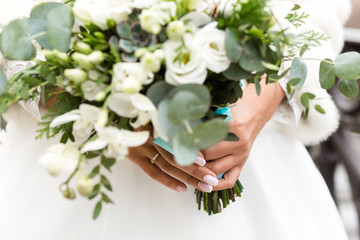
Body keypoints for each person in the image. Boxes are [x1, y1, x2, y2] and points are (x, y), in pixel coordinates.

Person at [0, 0, 352, 239]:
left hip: (254, 136)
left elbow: (317, 5)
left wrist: (266, 93)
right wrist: (105, 113)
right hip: (72, 157)